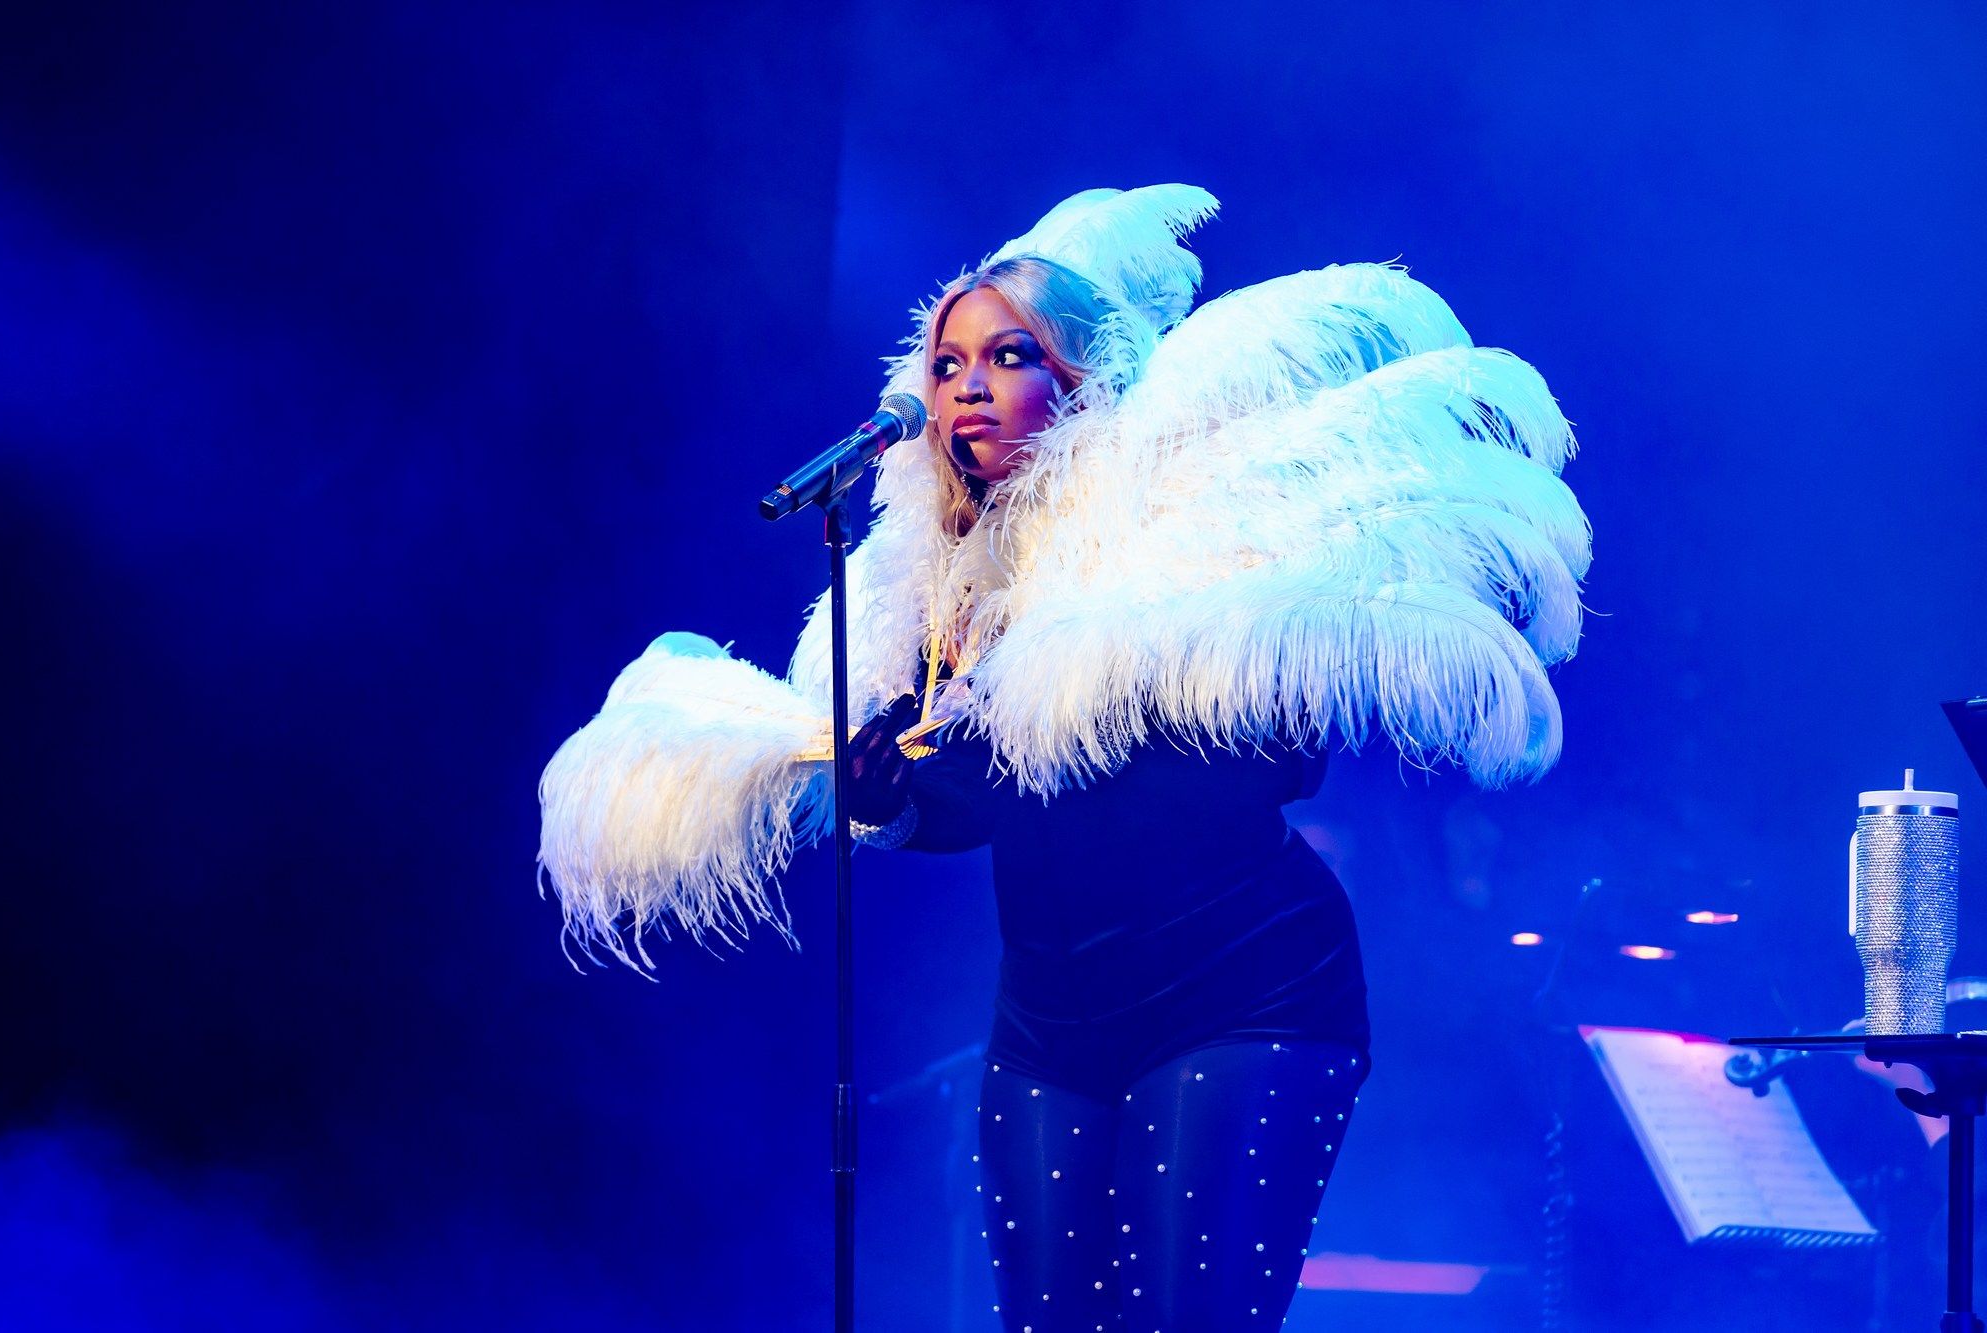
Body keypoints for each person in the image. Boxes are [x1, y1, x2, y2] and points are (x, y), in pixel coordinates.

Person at [537, 185, 1590, 1331]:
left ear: (1079, 380)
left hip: (1245, 997)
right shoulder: (939, 589)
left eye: (1007, 355)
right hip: (1049, 1022)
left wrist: (1045, 706)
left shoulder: (1193, 533)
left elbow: (1251, 760)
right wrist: (887, 794)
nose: (966, 385)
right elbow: (978, 799)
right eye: (944, 366)